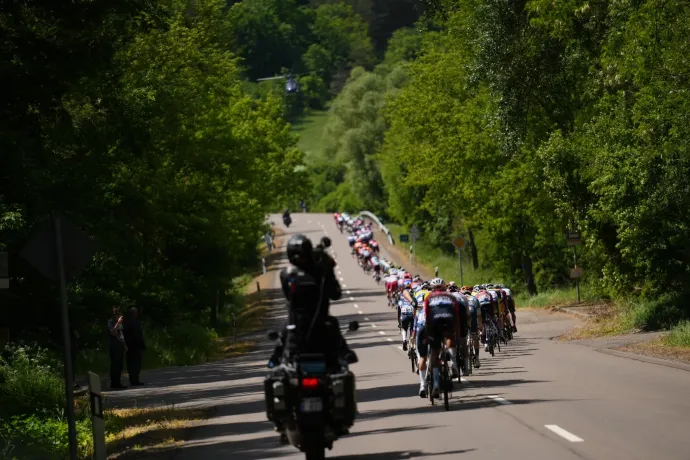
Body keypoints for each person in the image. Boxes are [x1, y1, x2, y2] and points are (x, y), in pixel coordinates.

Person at [269, 234, 355, 369]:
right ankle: (345, 353)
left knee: (283, 336)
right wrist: (328, 268)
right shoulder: (321, 272)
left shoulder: (285, 274)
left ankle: (274, 359)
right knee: (334, 326)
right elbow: (336, 294)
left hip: (296, 326)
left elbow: (289, 297)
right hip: (321, 324)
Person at [423, 278, 467, 398]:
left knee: (434, 352)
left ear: (432, 289)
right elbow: (457, 317)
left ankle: (436, 383)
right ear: (444, 287)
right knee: (449, 337)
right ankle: (453, 363)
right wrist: (456, 336)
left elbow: (426, 317)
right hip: (449, 320)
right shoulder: (451, 297)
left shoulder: (428, 298)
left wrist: (428, 335)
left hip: (434, 322)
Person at [123, 307, 147, 386]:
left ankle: (133, 379)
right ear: (133, 313)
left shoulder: (127, 322)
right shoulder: (132, 322)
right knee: (135, 364)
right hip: (134, 346)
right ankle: (135, 380)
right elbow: (137, 335)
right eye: (136, 313)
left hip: (130, 346)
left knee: (131, 364)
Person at [107, 306, 127, 390]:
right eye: (118, 313)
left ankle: (118, 382)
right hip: (114, 345)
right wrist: (118, 323)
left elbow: (121, 334)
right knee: (115, 365)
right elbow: (112, 332)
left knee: (119, 365)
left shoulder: (120, 322)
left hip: (120, 345)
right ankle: (114, 383)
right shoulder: (111, 321)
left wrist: (125, 345)